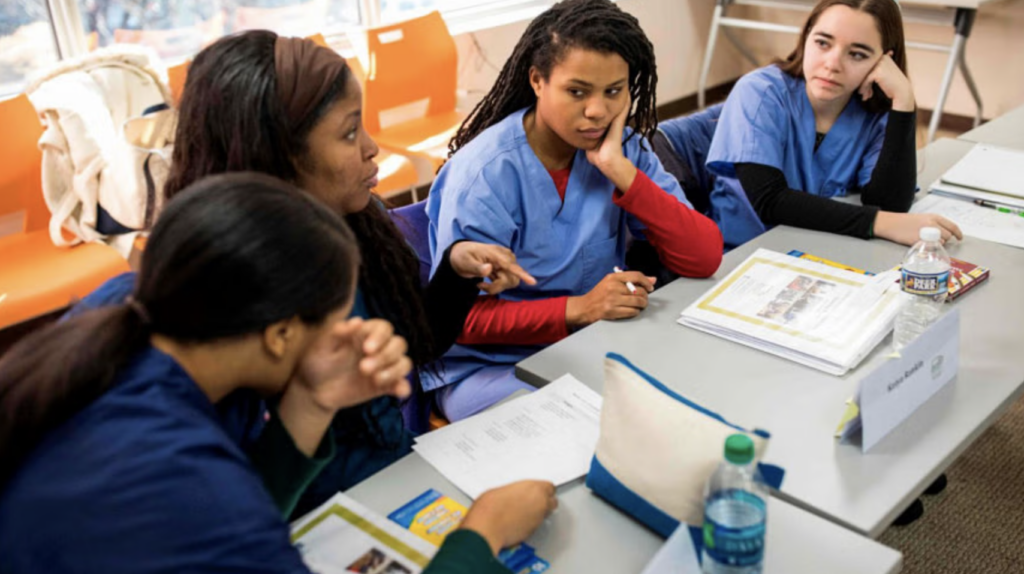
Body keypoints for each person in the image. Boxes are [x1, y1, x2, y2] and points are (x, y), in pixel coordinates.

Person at [75, 30, 535, 517]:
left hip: (396, 483)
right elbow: (246, 511)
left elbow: (414, 345)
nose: (372, 148)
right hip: (330, 518)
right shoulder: (218, 318)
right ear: (280, 155)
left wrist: (455, 277)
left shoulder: (356, 229)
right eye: (349, 132)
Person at [0, 173, 557, 574]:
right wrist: (482, 535)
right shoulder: (189, 483)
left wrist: (312, 401)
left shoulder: (130, 317)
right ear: (280, 335)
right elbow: (221, 513)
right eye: (339, 318)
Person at [424, 0, 724, 421]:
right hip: (489, 367)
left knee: (686, 392)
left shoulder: (623, 152)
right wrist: (580, 308)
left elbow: (704, 255)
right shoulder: (486, 175)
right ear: (537, 81)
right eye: (577, 91)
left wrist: (621, 172)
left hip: (587, 342)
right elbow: (462, 321)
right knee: (593, 421)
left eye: (613, 92)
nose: (597, 111)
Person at [695, 0, 962, 250]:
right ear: (806, 38)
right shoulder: (760, 91)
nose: (832, 64)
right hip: (741, 255)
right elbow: (770, 201)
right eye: (823, 43)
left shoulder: (874, 115)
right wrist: (879, 222)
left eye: (857, 54)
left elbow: (889, 204)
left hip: (824, 251)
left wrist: (904, 98)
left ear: (884, 62)